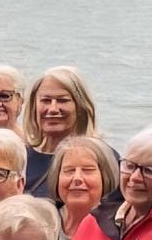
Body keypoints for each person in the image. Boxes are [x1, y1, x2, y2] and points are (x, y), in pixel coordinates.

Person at [22, 66, 102, 194]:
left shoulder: (101, 159)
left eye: (62, 100)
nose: (53, 109)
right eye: (46, 100)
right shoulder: (21, 157)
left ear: (80, 107)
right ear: (33, 107)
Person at [48, 136, 112, 240]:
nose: (77, 178)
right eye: (69, 170)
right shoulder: (42, 221)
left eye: (88, 170)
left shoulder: (116, 230)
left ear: (105, 177)